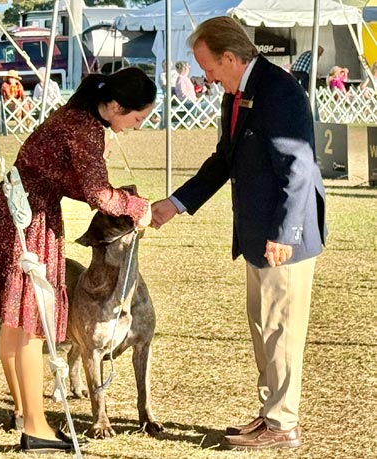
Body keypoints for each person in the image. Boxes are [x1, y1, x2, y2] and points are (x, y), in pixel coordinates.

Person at [151, 17, 326, 450]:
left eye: (209, 68)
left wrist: (285, 233)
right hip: (256, 233)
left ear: (230, 58)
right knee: (264, 326)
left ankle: (283, 424)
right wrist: (176, 203)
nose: (207, 78)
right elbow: (224, 160)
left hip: (283, 236)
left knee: (281, 329)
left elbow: (299, 167)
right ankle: (271, 412)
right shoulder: (237, 94)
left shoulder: (279, 90)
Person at [0, 67, 156, 453]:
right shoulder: (86, 129)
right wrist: (137, 206)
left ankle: (23, 411)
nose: (137, 127)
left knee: (15, 320)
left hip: (13, 207)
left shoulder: (74, 115)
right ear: (115, 106)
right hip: (30, 217)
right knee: (31, 322)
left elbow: (67, 179)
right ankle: (35, 427)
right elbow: (98, 195)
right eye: (138, 118)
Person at [175, 60, 209, 124]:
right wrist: (192, 100)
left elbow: (190, 91)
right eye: (188, 67)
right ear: (184, 68)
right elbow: (182, 92)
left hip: (192, 100)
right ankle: (190, 120)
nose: (189, 69)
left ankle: (200, 119)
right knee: (195, 105)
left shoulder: (186, 78)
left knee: (206, 104)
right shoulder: (181, 79)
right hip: (185, 101)